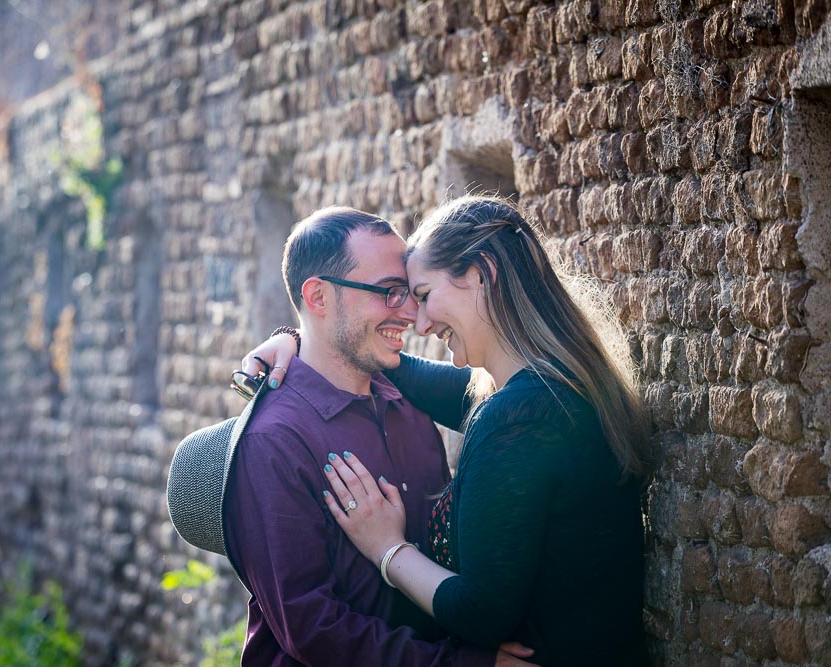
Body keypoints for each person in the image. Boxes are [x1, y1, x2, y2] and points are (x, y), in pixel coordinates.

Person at [246, 195, 653, 666]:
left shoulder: (517, 419)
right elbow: (402, 370)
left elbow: (481, 613)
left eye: (420, 295)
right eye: (394, 294)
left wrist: (389, 549)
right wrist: (300, 336)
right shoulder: (560, 385)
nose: (416, 321)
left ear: (481, 274)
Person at [220, 206, 536, 666]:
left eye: (409, 292)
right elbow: (312, 627)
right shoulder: (272, 441)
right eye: (389, 292)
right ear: (319, 298)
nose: (411, 313)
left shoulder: (408, 405)